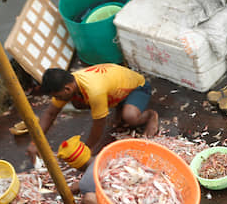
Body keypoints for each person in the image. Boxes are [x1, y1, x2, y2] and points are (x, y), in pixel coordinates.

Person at [27, 64, 159, 161]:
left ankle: (151, 115)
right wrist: (35, 143)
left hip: (138, 87)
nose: (58, 100)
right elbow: (50, 114)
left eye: (58, 96)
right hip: (115, 87)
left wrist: (86, 150)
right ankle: (119, 106)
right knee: (77, 103)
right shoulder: (72, 83)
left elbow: (98, 125)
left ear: (67, 89)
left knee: (130, 118)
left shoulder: (93, 90)